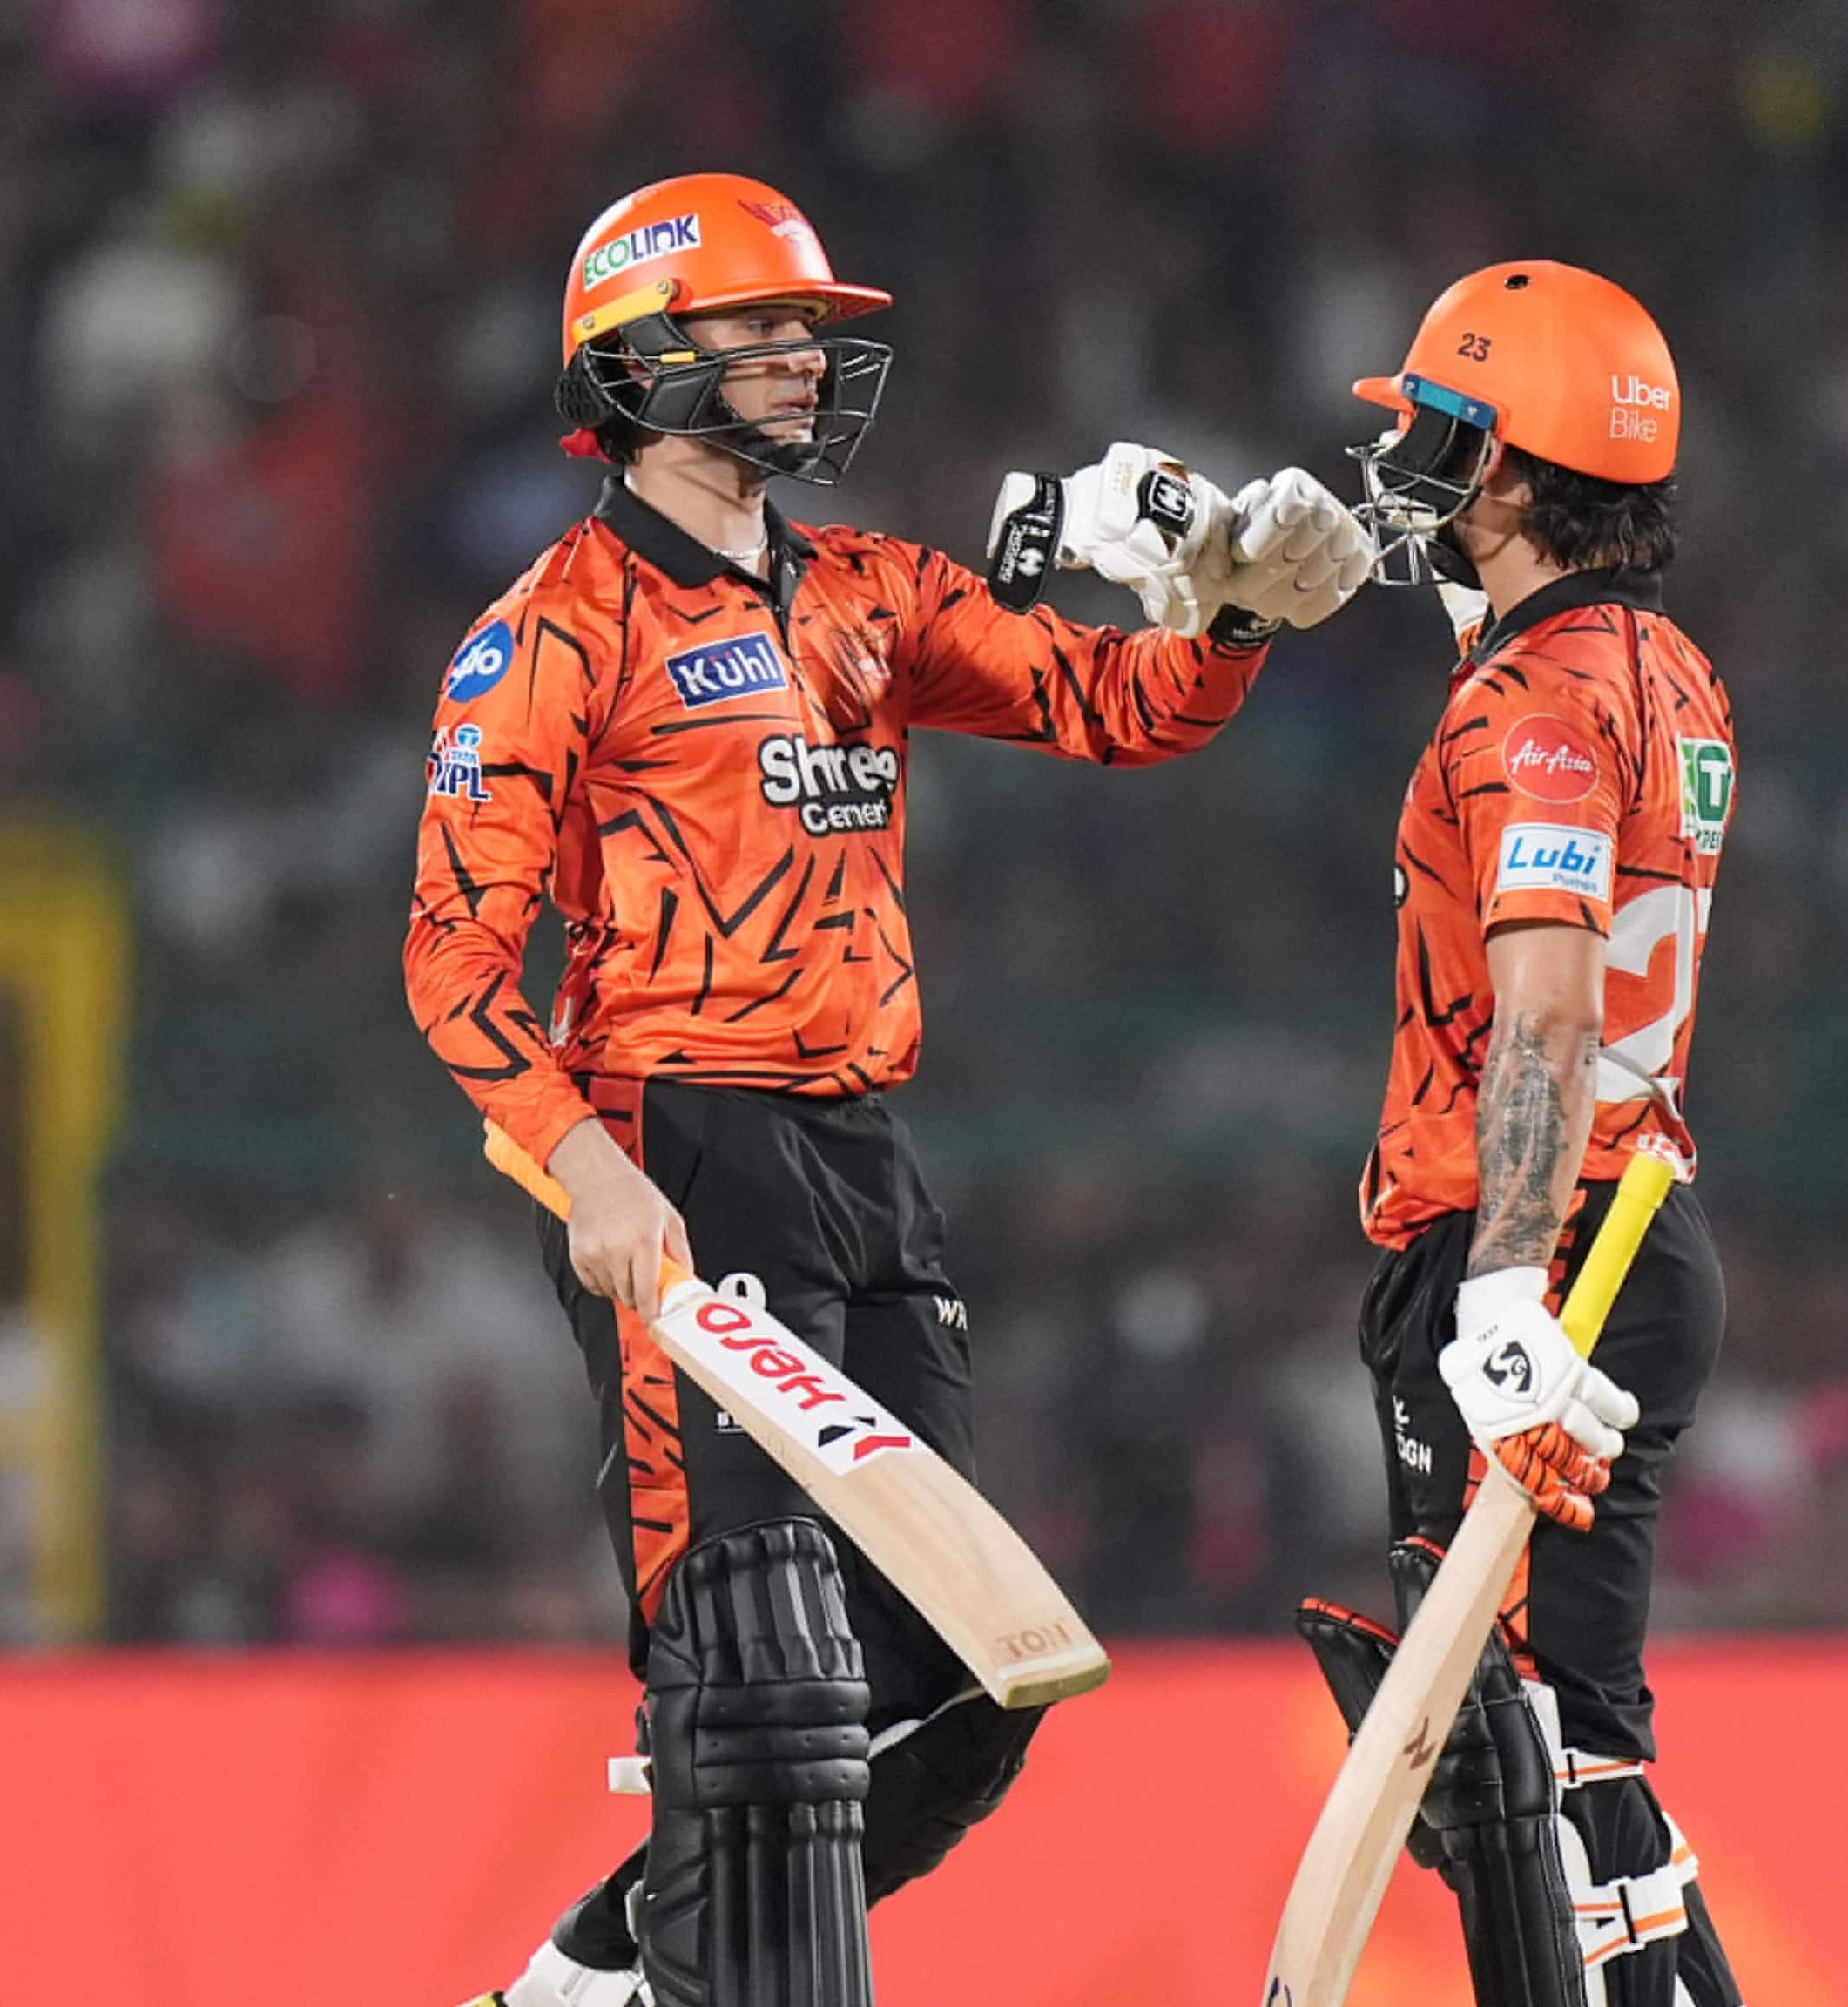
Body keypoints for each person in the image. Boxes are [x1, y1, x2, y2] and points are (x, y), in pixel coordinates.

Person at [403, 172, 1373, 2007]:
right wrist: (585, 1173)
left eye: (808, 330)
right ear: (638, 356)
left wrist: (1236, 622)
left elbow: (1120, 707)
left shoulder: (870, 588)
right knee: (753, 1676)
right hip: (676, 1144)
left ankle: (580, 1987)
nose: (802, 358)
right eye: (761, 327)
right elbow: (451, 960)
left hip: (860, 1160)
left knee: (966, 1684)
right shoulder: (553, 630)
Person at [1294, 262, 1745, 2007]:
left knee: (1532, 1773)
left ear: (1505, 463)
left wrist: (1498, 1288)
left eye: (1432, 428)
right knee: (1557, 1750)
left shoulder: (1527, 705)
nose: (1403, 456)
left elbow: (1547, 1014)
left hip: (1538, 1250)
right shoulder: (1668, 670)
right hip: (1629, 1230)